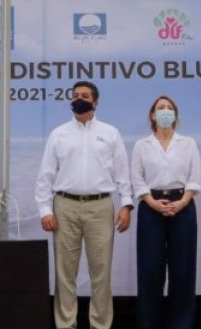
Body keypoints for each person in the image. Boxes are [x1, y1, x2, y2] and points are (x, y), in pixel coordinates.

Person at [35, 81, 133, 329]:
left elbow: (123, 173)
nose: (80, 99)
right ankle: (66, 324)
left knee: (101, 272)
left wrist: (126, 205)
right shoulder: (58, 134)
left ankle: (100, 324)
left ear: (96, 102)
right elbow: (46, 175)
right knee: (65, 273)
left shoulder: (110, 133)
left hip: (100, 207)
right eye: (76, 95)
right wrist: (45, 210)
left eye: (85, 96)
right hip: (64, 206)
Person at [130, 95, 201, 329]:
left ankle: (181, 324)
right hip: (151, 208)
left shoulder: (188, 143)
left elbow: (194, 178)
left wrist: (181, 203)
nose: (165, 111)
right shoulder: (142, 145)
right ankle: (148, 323)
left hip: (183, 207)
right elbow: (137, 179)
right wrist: (151, 202)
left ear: (175, 115)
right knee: (150, 271)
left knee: (183, 271)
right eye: (160, 108)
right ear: (152, 115)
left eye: (170, 108)